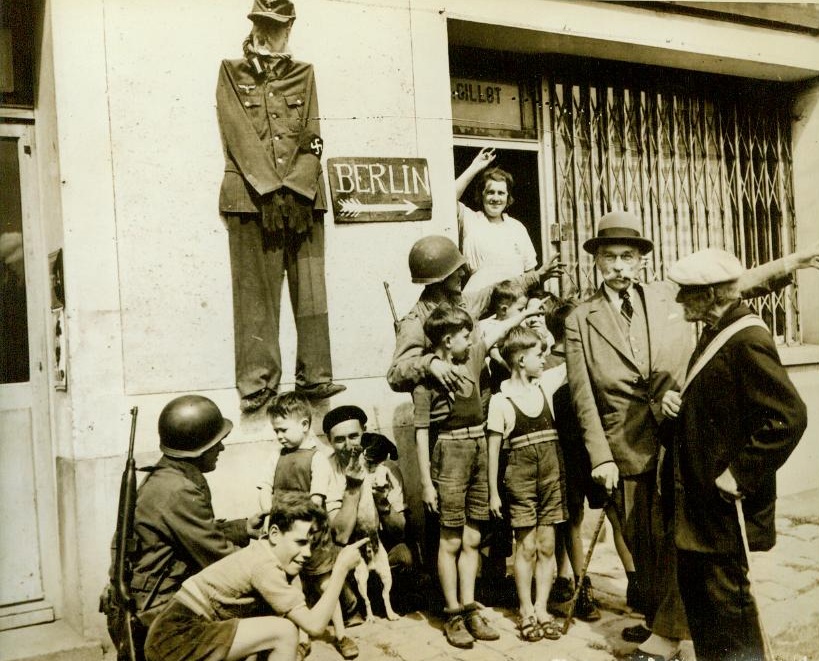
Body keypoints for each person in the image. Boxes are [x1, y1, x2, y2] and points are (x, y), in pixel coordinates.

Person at [565, 211, 819, 661]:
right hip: (626, 447)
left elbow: (736, 286)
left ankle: (669, 635)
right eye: (611, 257)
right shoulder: (580, 318)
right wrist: (600, 456)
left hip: (685, 446)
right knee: (649, 548)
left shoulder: (673, 295)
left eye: (629, 257)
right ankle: (667, 625)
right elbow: (583, 394)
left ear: (642, 261)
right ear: (597, 262)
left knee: (693, 549)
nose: (620, 266)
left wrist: (791, 263)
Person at [660, 249, 807, 661]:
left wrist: (740, 475)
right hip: (699, 505)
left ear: (710, 295)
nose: (678, 301)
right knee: (705, 611)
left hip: (724, 507)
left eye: (686, 293)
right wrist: (679, 402)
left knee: (731, 615)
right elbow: (720, 402)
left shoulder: (746, 339)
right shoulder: (715, 330)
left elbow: (789, 417)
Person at [216, 0, 344, 414]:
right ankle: (258, 385)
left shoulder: (304, 73)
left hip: (304, 199)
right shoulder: (231, 72)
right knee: (255, 296)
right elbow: (237, 134)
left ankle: (316, 376)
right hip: (251, 202)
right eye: (263, 25)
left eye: (277, 27)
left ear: (289, 29)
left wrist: (301, 189)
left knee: (311, 291)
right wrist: (270, 190)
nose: (270, 34)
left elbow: (312, 134)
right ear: (253, 27)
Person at [413, 302, 541, 648]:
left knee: (472, 538)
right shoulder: (426, 381)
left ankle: (469, 607)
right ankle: (452, 612)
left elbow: (497, 331)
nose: (472, 341)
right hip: (449, 453)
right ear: (448, 339)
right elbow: (422, 433)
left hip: (479, 449)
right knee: (450, 540)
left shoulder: (472, 357)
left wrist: (526, 313)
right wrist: (427, 482)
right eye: (466, 336)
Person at [144, 493, 368, 661]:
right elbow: (315, 626)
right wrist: (340, 569)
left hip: (175, 633)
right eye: (300, 542)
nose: (307, 553)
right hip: (176, 636)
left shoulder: (265, 553)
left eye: (311, 544)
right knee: (284, 633)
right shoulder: (265, 566)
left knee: (270, 634)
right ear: (274, 534)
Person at [126, 395, 265, 627]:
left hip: (156, 594)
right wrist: (269, 558)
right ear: (198, 450)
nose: (221, 447)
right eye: (215, 443)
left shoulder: (169, 476)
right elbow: (218, 556)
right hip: (160, 606)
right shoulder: (178, 489)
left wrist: (243, 527)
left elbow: (194, 532)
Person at [386, 234, 560, 397]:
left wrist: (536, 276)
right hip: (450, 416)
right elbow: (395, 375)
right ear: (440, 278)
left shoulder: (464, 303)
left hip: (482, 402)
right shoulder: (416, 321)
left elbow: (497, 292)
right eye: (456, 270)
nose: (463, 273)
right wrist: (429, 364)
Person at [261, 392, 357, 659]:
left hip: (312, 533)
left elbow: (316, 499)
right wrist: (268, 516)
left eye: (283, 429)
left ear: (304, 425)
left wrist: (305, 531)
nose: (278, 435)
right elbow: (265, 487)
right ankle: (302, 638)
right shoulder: (276, 456)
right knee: (295, 587)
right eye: (275, 431)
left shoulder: (317, 458)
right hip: (285, 534)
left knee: (326, 584)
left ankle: (341, 633)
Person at [486, 326, 567, 642]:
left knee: (547, 545)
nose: (544, 358)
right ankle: (526, 610)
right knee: (527, 545)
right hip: (520, 478)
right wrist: (493, 492)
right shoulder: (500, 400)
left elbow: (574, 352)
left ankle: (543, 608)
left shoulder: (544, 386)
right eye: (538, 354)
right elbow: (494, 451)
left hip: (551, 474)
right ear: (520, 359)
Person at [538, 298, 607, 623]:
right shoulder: (547, 366)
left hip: (587, 451)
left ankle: (572, 581)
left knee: (578, 521)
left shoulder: (590, 360)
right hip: (562, 453)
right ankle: (576, 585)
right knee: (571, 521)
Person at [454, 147, 538, 293]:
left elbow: (531, 273)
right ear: (482, 195)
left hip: (513, 302)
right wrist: (475, 167)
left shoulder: (517, 228)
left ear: (508, 197)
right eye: (490, 192)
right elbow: (448, 197)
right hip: (478, 300)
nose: (495, 198)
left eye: (501, 193)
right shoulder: (471, 220)